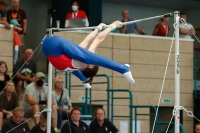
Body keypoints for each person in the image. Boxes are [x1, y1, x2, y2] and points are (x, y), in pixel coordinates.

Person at [42, 21, 135, 89]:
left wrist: (112, 26)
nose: (93, 62)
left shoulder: (84, 60)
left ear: (90, 66)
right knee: (76, 64)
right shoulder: (76, 59)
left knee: (92, 58)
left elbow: (98, 38)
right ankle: (83, 80)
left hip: (55, 43)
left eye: (93, 63)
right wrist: (98, 28)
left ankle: (123, 68)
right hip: (46, 48)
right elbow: (88, 40)